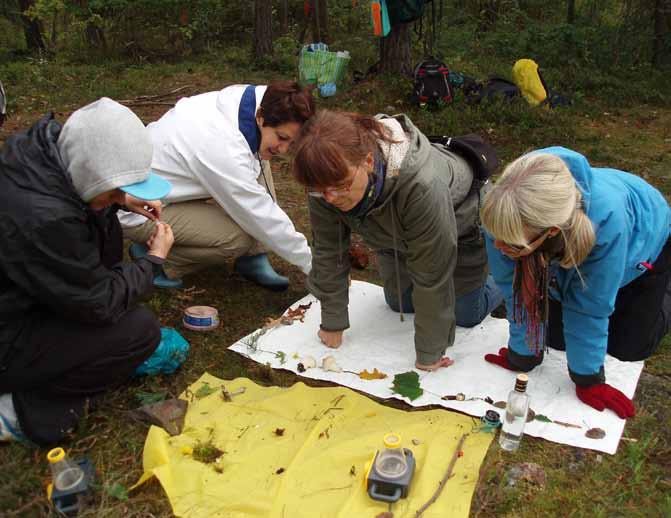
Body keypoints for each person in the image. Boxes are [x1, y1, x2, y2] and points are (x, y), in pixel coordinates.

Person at [0, 98, 175, 445]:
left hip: (20, 303)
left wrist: (118, 199)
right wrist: (152, 261)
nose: (117, 197)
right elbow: (100, 302)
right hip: (8, 337)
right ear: (91, 175)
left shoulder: (46, 157)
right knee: (139, 332)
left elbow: (93, 267)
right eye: (113, 190)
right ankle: (20, 411)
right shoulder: (46, 217)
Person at [292, 110, 503, 371]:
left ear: (368, 161)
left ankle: (504, 276)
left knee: (465, 314)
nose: (331, 198)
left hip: (461, 227)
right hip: (393, 234)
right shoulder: (324, 183)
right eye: (320, 191)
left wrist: (430, 352)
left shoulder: (422, 185)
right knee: (398, 302)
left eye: (341, 186)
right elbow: (328, 251)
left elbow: (432, 274)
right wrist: (332, 320)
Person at [480, 147, 671, 419]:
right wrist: (523, 354)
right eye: (495, 237)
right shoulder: (502, 215)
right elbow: (516, 289)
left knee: (628, 347)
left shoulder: (606, 226)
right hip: (562, 240)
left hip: (643, 242)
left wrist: (588, 379)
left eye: (509, 243)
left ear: (551, 231)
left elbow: (588, 306)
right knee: (555, 341)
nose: (498, 247)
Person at [120, 81, 315, 290]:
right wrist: (315, 266)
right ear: (260, 117)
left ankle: (253, 258)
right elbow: (260, 213)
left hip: (170, 183)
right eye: (282, 137)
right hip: (139, 209)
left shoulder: (252, 101)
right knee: (239, 239)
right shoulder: (222, 146)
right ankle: (158, 259)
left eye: (291, 142)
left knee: (262, 155)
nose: (284, 150)